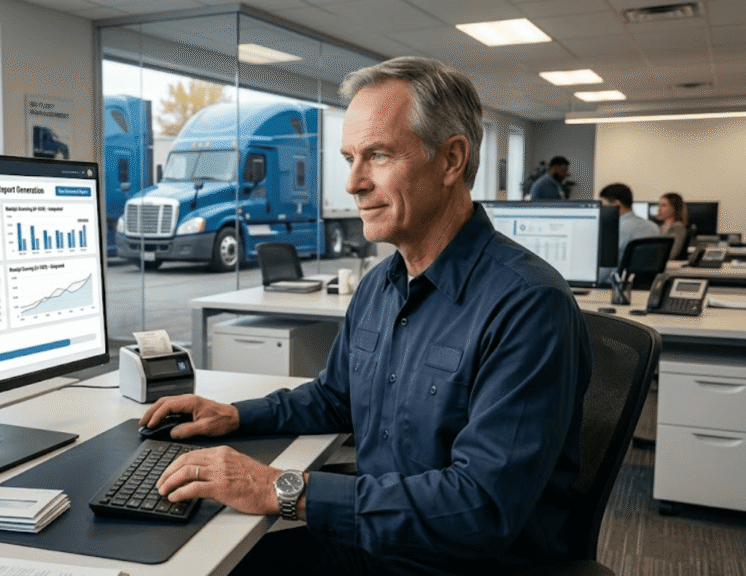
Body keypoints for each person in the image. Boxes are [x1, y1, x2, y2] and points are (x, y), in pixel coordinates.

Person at [141, 56, 593, 575]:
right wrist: (236, 415)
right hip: (371, 545)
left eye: (377, 155)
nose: (353, 183)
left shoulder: (527, 304)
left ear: (450, 160)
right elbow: (337, 398)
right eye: (349, 158)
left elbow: (480, 507)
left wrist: (281, 488)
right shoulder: (382, 284)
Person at [599, 183, 660, 260]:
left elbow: (607, 265)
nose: (602, 210)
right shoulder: (653, 227)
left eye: (604, 206)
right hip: (648, 272)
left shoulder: (615, 230)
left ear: (616, 204)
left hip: (619, 272)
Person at [658, 192, 688, 260]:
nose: (659, 209)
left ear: (674, 208)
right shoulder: (660, 228)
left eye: (664, 205)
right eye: (660, 205)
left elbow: (671, 255)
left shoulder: (678, 227)